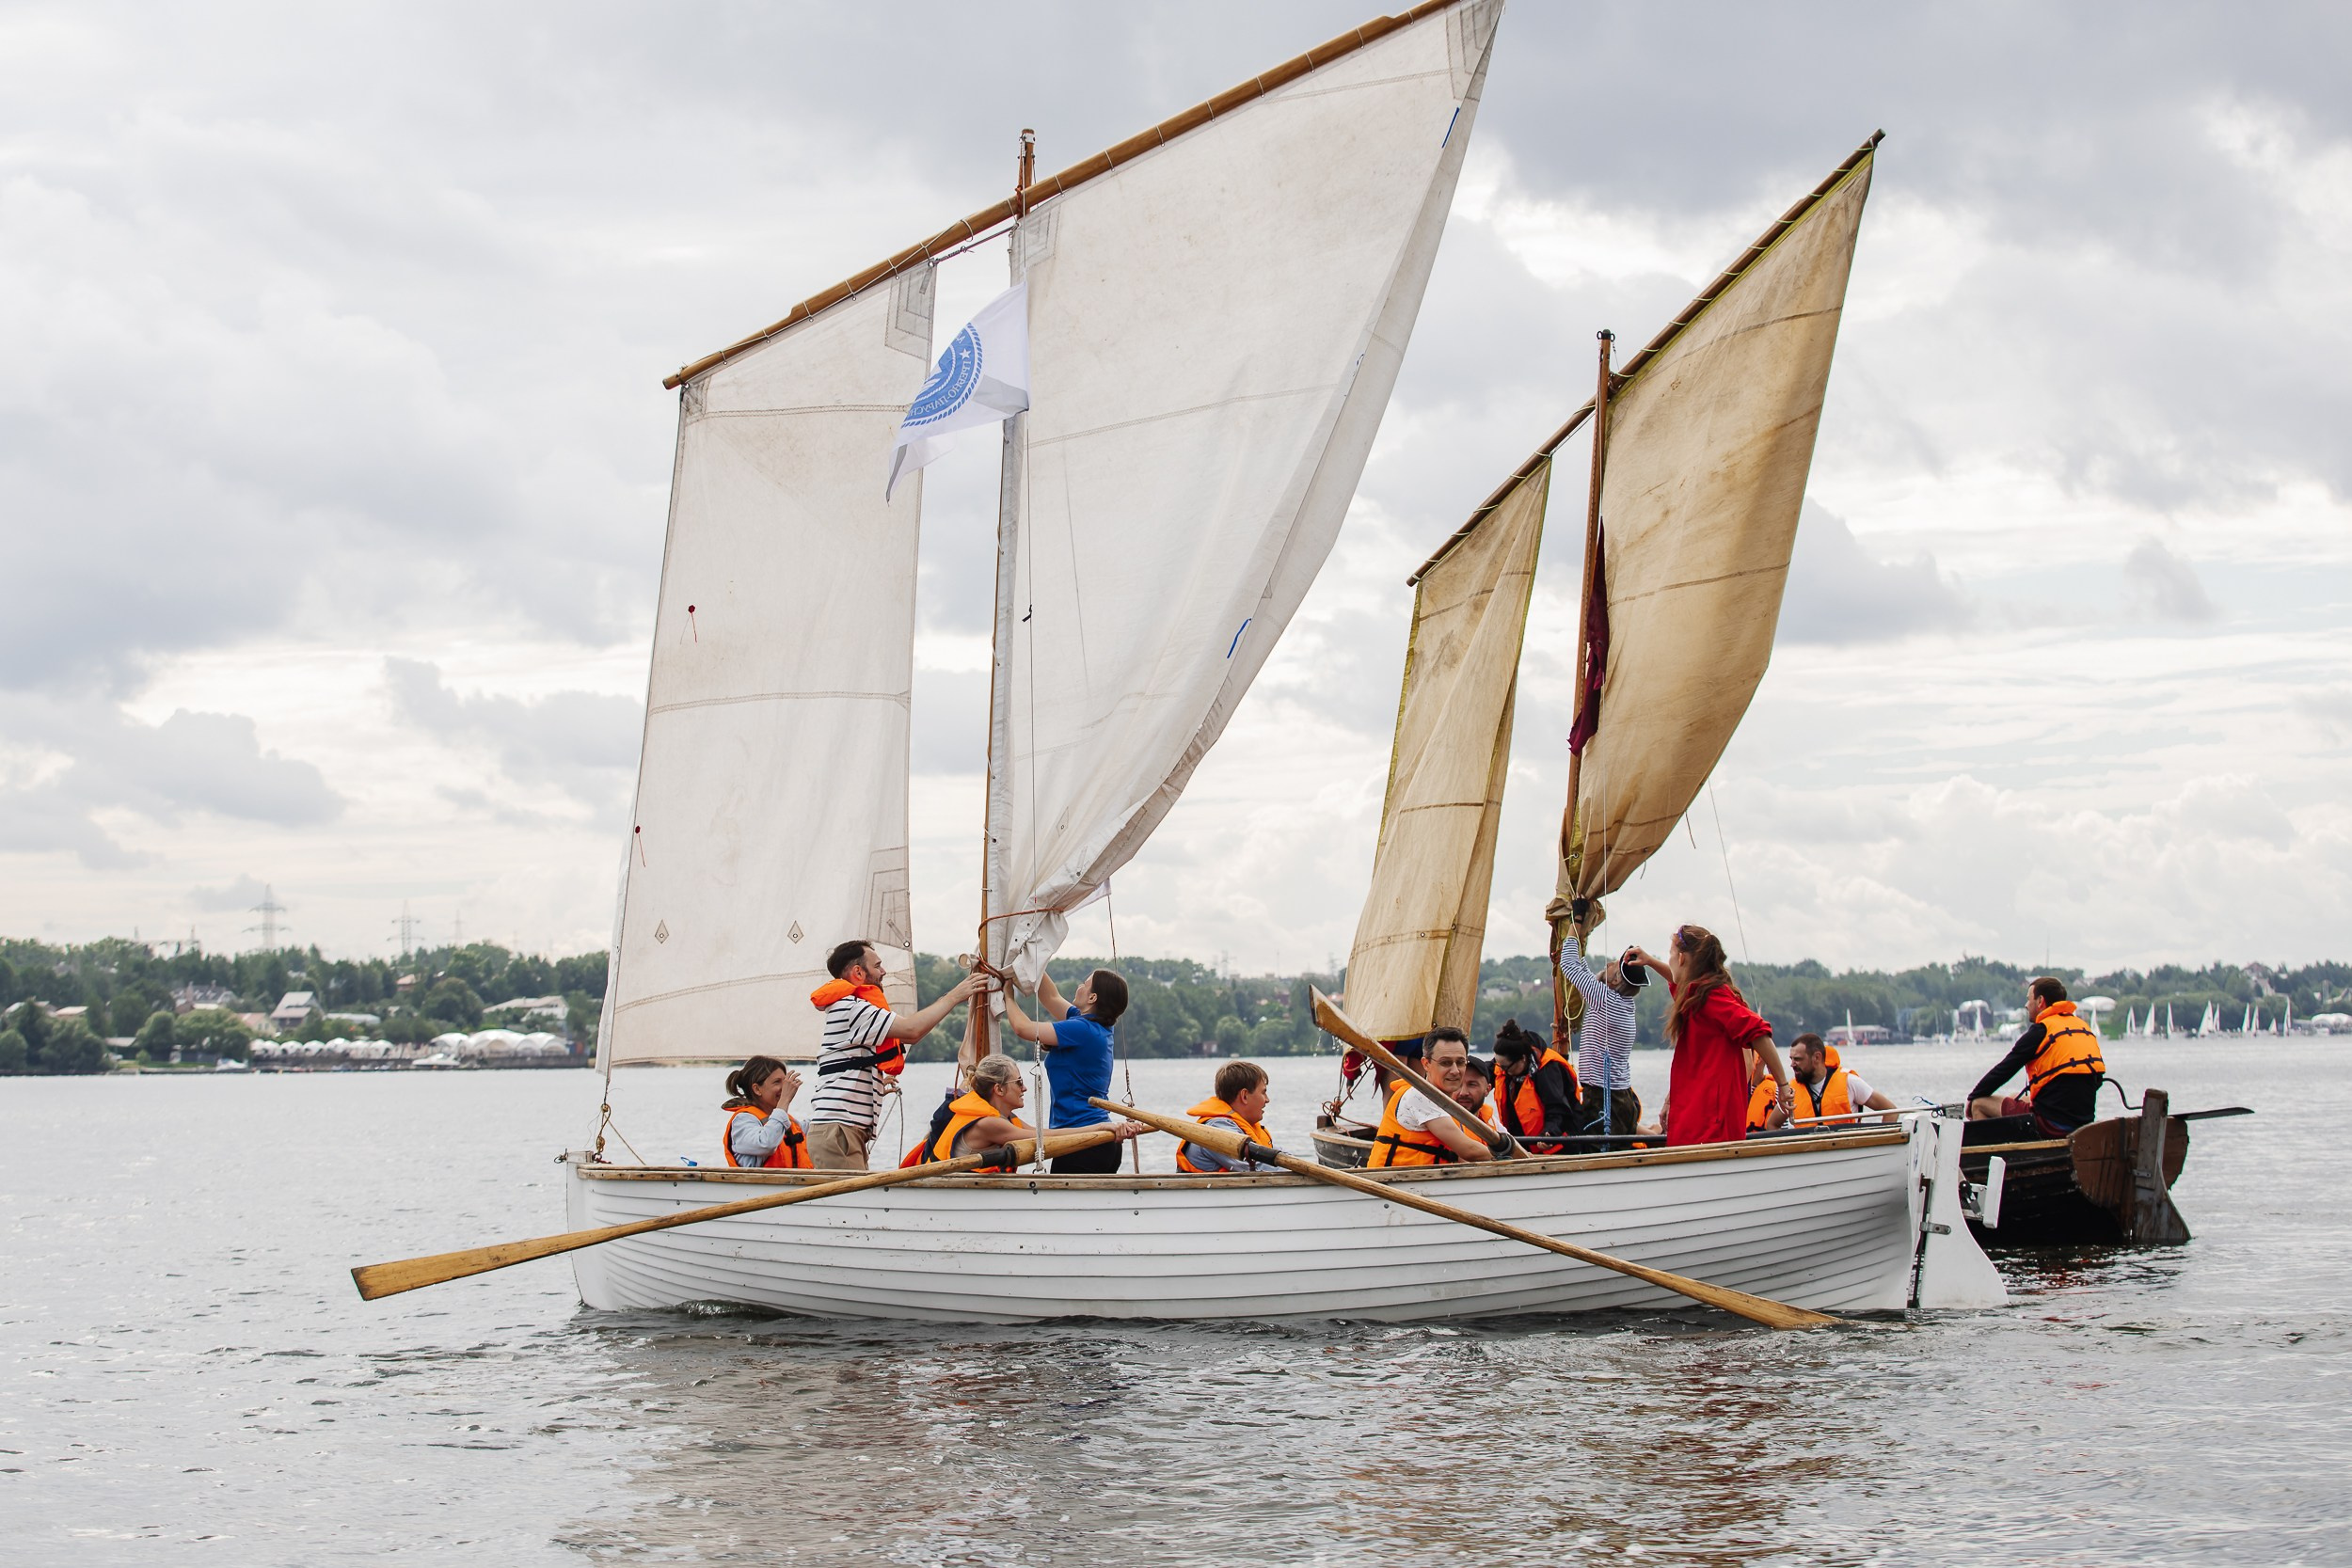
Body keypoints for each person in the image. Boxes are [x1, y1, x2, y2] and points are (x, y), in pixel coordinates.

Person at [806, 939, 987, 1170]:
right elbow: (912, 1031)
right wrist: (955, 996)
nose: (883, 971)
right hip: (839, 1129)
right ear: (858, 972)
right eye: (878, 965)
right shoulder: (851, 1007)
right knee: (854, 1203)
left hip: (842, 1130)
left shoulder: (851, 1006)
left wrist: (875, 1083)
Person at [1629, 925, 1792, 1148]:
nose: (1670, 960)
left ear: (1683, 958)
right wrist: (1649, 961)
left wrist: (1783, 1086)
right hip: (1697, 1112)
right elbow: (1678, 980)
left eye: (1670, 954)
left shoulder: (1712, 998)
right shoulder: (1698, 992)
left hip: (1711, 1123)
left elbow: (1759, 1033)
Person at [999, 966, 1131, 1175]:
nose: (1079, 986)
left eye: (1084, 984)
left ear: (1092, 997)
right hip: (1096, 1139)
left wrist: (1008, 997)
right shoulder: (1091, 1024)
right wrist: (1030, 960)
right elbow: (1050, 996)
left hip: (1084, 1141)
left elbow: (1022, 1028)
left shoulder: (1083, 1030)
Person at [1546, 896, 1643, 1139]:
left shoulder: (1606, 1000)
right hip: (1618, 1096)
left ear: (1615, 981)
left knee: (1600, 1152)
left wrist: (1578, 920)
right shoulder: (1623, 1003)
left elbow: (1570, 965)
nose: (1608, 963)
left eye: (1612, 965)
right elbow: (1583, 971)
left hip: (1604, 1099)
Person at [1967, 976, 2106, 1133]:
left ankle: (1989, 1156)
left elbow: (2005, 1069)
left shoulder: (2042, 1030)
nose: (2026, 1005)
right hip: (2082, 1121)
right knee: (2014, 1097)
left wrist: (1972, 1097)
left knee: (1978, 1104)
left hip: (2050, 1124)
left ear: (2040, 1001)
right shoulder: (2082, 1027)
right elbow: (2095, 1079)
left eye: (2028, 999)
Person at [1366, 1027, 1502, 1166]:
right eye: (1445, 1063)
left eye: (1460, 1062)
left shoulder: (1452, 1106)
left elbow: (1463, 1158)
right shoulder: (1418, 1096)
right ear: (1426, 1064)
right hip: (1395, 1181)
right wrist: (1510, 1159)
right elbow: (1469, 1151)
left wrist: (1521, 1155)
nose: (1455, 1071)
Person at [1748, 1034, 1898, 1131]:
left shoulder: (1849, 1082)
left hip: (1847, 1150)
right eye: (1791, 1059)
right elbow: (1773, 1124)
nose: (1792, 1064)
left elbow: (1890, 1110)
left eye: (1798, 1059)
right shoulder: (1791, 1090)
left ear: (1817, 1058)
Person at [922, 1054, 1033, 1165]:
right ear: (999, 1089)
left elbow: (1038, 1133)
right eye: (1019, 1082)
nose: (1024, 1088)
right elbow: (1038, 1138)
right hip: (946, 1182)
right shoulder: (988, 1123)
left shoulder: (1004, 1117)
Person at [1490, 1020, 1581, 1154]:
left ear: (1523, 1059)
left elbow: (1557, 1109)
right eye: (1499, 1066)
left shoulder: (1548, 1071)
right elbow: (1488, 1069)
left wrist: (1549, 1133)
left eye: (1505, 1067)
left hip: (1557, 1146)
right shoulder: (1508, 1063)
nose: (1502, 1071)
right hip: (1523, 1144)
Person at [1176, 1060, 1279, 1173]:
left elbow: (1280, 1155)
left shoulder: (1245, 1127)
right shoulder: (1216, 1131)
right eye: (1263, 1092)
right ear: (1244, 1096)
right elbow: (1252, 1167)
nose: (1267, 1100)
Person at [720, 1055, 810, 1168]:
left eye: (785, 1081)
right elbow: (766, 1143)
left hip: (793, 1184)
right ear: (757, 1089)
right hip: (759, 1185)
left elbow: (813, 1129)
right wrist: (784, 1101)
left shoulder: (785, 1120)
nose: (785, 1087)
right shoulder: (742, 1121)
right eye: (777, 1082)